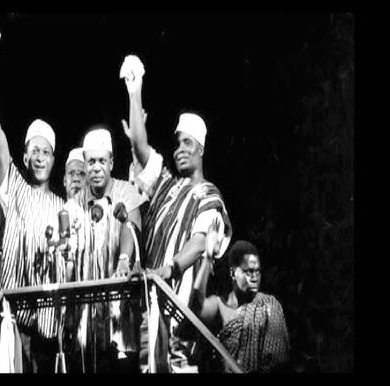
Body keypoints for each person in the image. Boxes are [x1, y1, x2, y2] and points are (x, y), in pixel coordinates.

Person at [119, 54, 233, 373]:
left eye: (186, 143)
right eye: (177, 144)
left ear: (200, 148)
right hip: (151, 309)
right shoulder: (167, 184)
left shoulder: (210, 195)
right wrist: (134, 90)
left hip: (183, 320)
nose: (179, 149)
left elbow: (199, 243)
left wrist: (171, 267)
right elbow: (142, 148)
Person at [0, 29, 65, 373]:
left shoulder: (63, 208)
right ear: (25, 157)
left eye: (47, 152)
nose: (40, 157)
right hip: (7, 324)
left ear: (53, 160)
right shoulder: (12, 186)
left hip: (46, 335)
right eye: (35, 151)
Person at [64, 127, 146, 373]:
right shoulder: (74, 204)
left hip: (120, 324)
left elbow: (131, 224)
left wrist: (124, 260)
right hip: (85, 327)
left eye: (101, 161)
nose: (96, 168)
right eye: (91, 162)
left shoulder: (126, 191)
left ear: (111, 162)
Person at [191, 240, 290, 373]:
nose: (254, 277)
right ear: (233, 273)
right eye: (248, 272)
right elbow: (196, 308)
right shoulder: (220, 305)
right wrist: (208, 258)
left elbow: (277, 360)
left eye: (257, 271)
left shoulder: (269, 305)